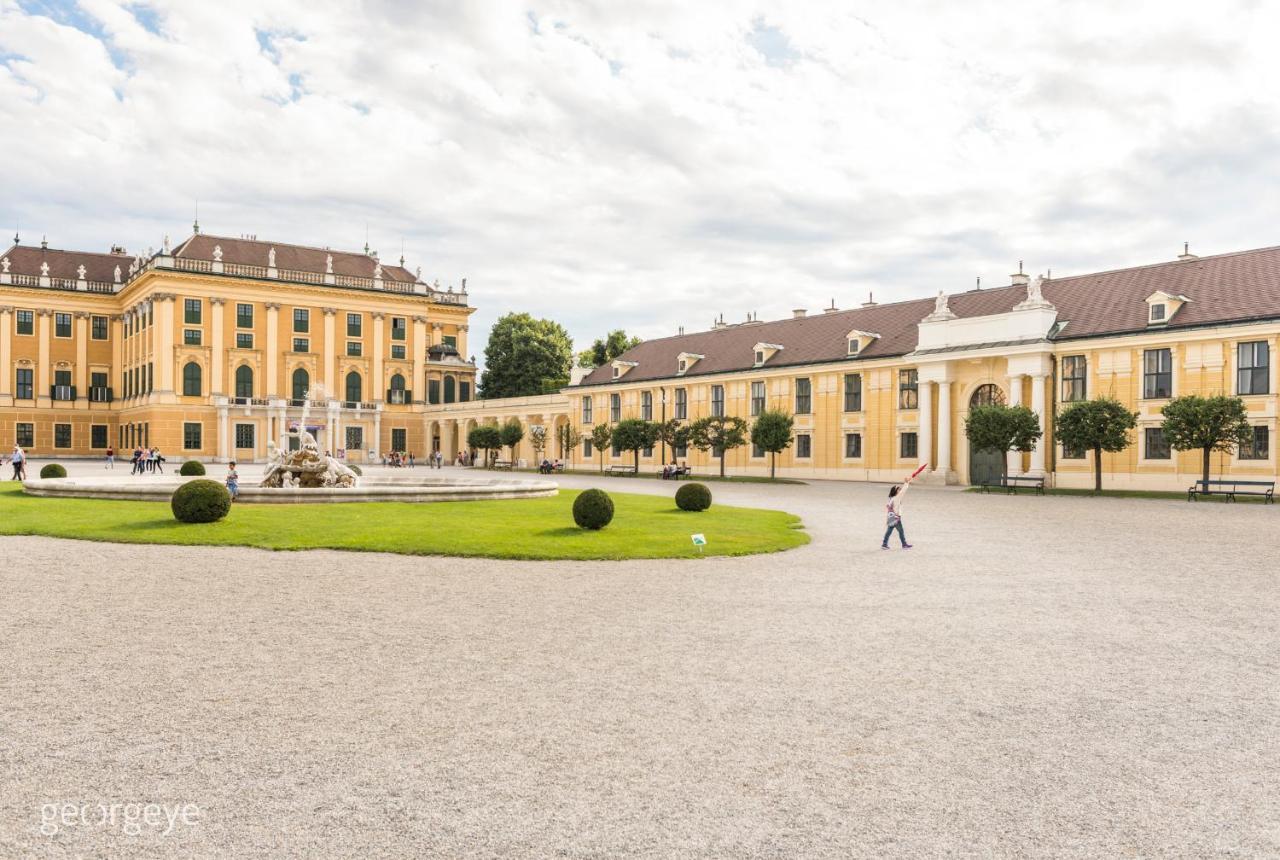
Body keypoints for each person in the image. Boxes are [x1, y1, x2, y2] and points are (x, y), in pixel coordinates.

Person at [882, 474, 915, 550]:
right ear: (896, 492)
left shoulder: (892, 498)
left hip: (891, 516)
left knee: (890, 530)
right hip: (896, 517)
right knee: (900, 531)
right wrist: (907, 482)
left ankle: (884, 544)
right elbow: (903, 491)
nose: (900, 490)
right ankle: (904, 544)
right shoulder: (896, 498)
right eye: (898, 489)